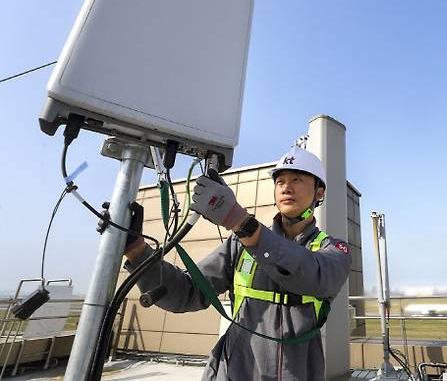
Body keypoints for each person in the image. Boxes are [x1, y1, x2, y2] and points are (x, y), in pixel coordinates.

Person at [123, 146, 352, 381]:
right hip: (233, 370)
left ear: (319, 192)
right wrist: (137, 251)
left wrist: (239, 221)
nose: (286, 187)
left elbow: (317, 276)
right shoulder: (239, 243)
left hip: (297, 372)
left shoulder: (334, 250)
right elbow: (187, 292)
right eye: (280, 181)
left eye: (297, 179)